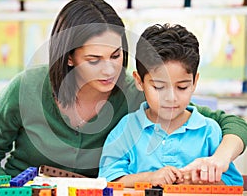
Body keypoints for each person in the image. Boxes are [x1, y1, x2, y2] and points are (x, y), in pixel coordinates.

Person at [0, 0, 247, 181]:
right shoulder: (26, 88)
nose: (109, 70)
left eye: (116, 56)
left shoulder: (135, 90)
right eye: (94, 60)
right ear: (69, 57)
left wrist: (219, 160)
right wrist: (5, 186)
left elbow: (227, 122)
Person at [98, 24, 244, 187]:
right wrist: (149, 178)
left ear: (195, 82)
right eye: (159, 87)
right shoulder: (126, 129)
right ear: (139, 81)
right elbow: (107, 180)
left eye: (182, 87)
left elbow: (233, 184)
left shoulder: (209, 132)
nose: (171, 98)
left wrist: (204, 182)